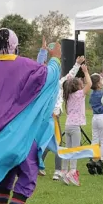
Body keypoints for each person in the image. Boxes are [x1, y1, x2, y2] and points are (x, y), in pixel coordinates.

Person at [0, 28, 62, 204]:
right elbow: (46, 76)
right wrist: (55, 59)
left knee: (7, 169)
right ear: (16, 45)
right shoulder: (23, 65)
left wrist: (43, 54)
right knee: (28, 171)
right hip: (17, 132)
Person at [36, 38, 84, 180]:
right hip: (48, 116)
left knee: (47, 141)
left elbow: (70, 75)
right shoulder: (44, 84)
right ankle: (57, 170)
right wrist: (43, 52)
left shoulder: (59, 83)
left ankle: (39, 165)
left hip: (53, 116)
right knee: (55, 142)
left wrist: (77, 64)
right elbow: (40, 67)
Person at [61, 64, 92, 186]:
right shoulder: (79, 95)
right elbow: (89, 84)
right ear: (77, 87)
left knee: (68, 149)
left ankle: (64, 171)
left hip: (68, 125)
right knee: (75, 150)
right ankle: (72, 171)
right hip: (75, 127)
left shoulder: (68, 96)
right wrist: (85, 72)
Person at [86, 73, 103, 175]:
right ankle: (99, 160)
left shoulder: (92, 95)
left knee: (95, 140)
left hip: (95, 118)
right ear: (99, 84)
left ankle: (93, 158)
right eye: (101, 80)